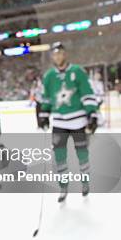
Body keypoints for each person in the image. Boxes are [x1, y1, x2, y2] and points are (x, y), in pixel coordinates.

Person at [38, 42, 98, 202]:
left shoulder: (78, 71)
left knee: (82, 154)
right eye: (55, 54)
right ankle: (63, 187)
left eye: (60, 53)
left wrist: (92, 113)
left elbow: (87, 92)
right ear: (52, 56)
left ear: (65, 54)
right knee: (59, 156)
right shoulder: (49, 76)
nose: (58, 56)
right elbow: (46, 98)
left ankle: (85, 183)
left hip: (79, 122)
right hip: (59, 123)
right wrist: (43, 115)